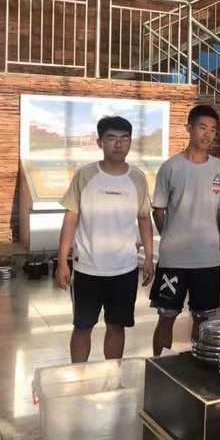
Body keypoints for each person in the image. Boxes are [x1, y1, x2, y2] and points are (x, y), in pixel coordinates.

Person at [56, 116, 154, 363]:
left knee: (116, 325)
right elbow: (70, 218)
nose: (118, 144)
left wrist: (149, 258)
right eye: (111, 138)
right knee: (82, 326)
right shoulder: (85, 175)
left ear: (130, 142)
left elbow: (144, 218)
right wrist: (62, 261)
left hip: (124, 269)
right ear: (100, 142)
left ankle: (113, 375)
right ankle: (79, 375)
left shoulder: (137, 178)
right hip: (87, 268)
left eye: (124, 138)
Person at [150, 105, 220, 356]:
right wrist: (172, 236)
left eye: (212, 130)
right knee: (166, 317)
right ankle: (160, 365)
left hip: (208, 258)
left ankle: (197, 366)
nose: (208, 135)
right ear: (189, 128)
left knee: (203, 320)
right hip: (174, 260)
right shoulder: (170, 167)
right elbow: (158, 210)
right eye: (203, 128)